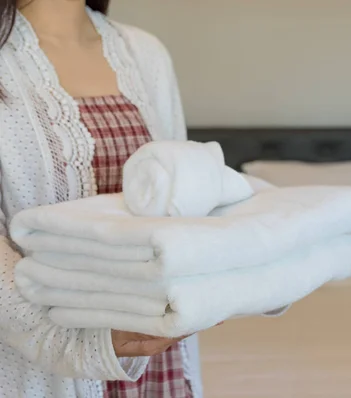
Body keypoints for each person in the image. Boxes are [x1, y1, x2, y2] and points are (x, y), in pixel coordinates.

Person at [0, 0, 202, 396]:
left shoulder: (144, 52)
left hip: (156, 355)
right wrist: (81, 344)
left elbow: (185, 201)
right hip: (40, 368)